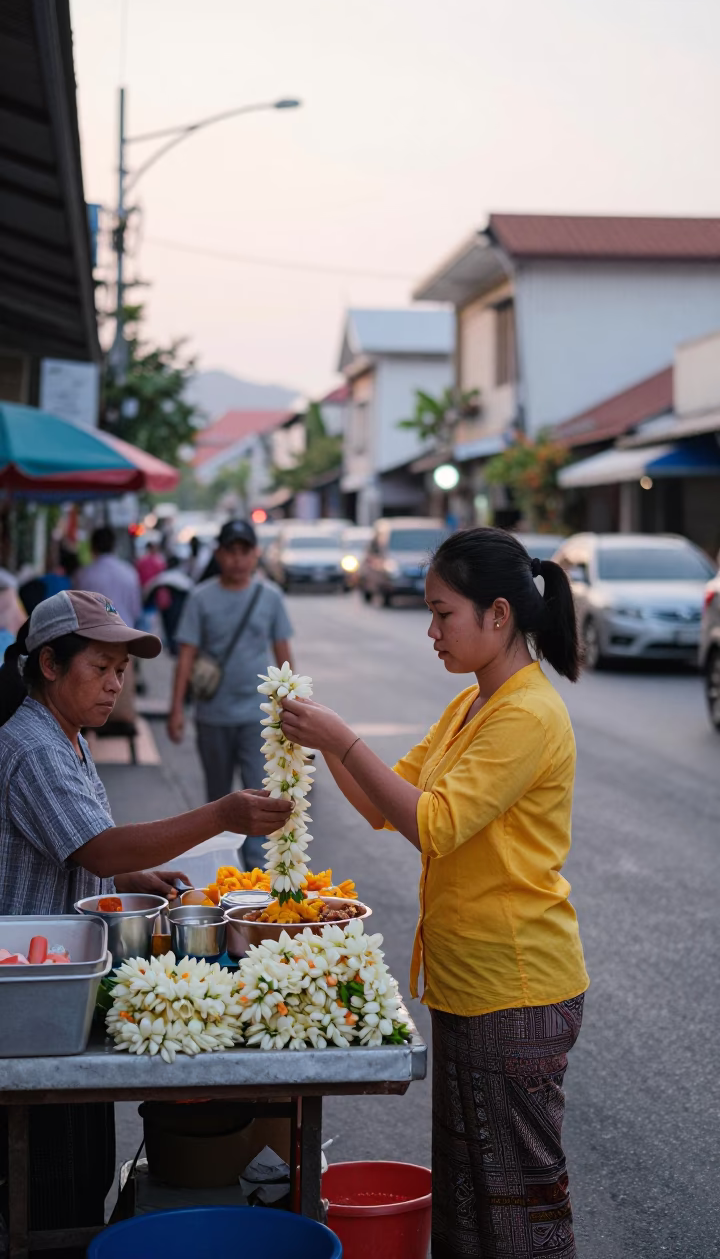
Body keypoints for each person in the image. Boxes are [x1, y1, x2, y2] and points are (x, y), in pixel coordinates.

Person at [281, 527, 589, 1259]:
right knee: (467, 1191)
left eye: (443, 613)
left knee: (518, 1198)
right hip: (465, 981)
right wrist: (318, 740)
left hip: (515, 985)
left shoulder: (526, 714)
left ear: (499, 615)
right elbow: (383, 807)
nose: (431, 631)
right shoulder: (471, 707)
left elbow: (436, 825)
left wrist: (342, 735)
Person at [0, 589, 292, 1241]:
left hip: (62, 985)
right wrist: (221, 815)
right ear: (50, 664)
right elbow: (97, 845)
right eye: (99, 669)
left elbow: (77, 849)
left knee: (84, 1166)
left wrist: (130, 876)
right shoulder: (34, 746)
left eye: (121, 673)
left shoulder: (66, 736)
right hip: (30, 993)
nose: (114, 686)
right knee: (53, 1184)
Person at [168, 519, 294, 871]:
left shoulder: (270, 596)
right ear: (219, 554)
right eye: (231, 552)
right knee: (218, 800)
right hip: (212, 715)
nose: (238, 560)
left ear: (255, 554)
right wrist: (176, 709)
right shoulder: (200, 598)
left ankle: (254, 875)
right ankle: (222, 870)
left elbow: (282, 650)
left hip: (259, 717)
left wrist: (293, 704)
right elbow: (187, 656)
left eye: (245, 552)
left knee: (260, 796)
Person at [76, 526, 142, 627]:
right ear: (114, 546)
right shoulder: (129, 572)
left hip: (93, 635)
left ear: (92, 547)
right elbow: (136, 610)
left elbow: (78, 609)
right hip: (126, 632)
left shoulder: (84, 575)